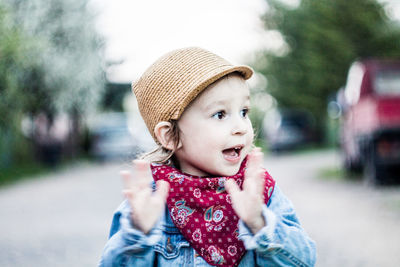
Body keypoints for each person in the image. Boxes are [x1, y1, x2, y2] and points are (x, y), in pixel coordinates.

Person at [99, 47, 316, 267]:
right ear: (170, 137)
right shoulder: (150, 203)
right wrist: (138, 236)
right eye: (220, 114)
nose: (241, 127)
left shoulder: (258, 191)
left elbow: (304, 262)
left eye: (244, 111)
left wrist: (259, 224)